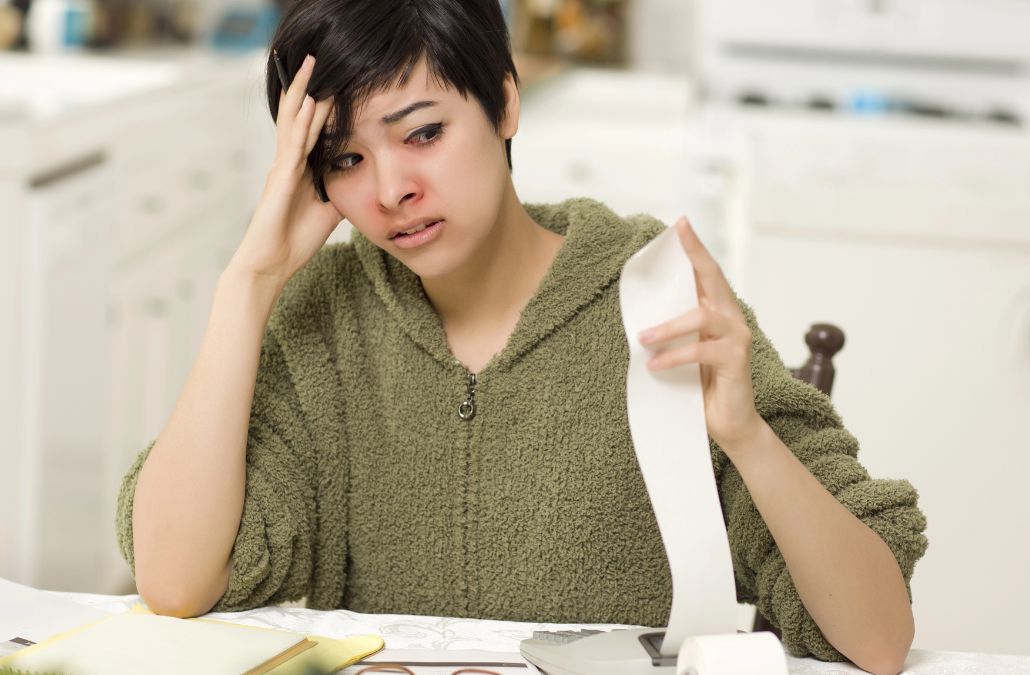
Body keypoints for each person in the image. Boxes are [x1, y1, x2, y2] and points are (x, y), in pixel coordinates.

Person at [115, 0, 927, 672]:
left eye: (423, 133)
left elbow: (878, 639)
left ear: (504, 102)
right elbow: (175, 579)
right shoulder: (320, 317)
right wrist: (247, 283)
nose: (392, 188)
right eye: (346, 158)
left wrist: (746, 435)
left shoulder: (653, 293)